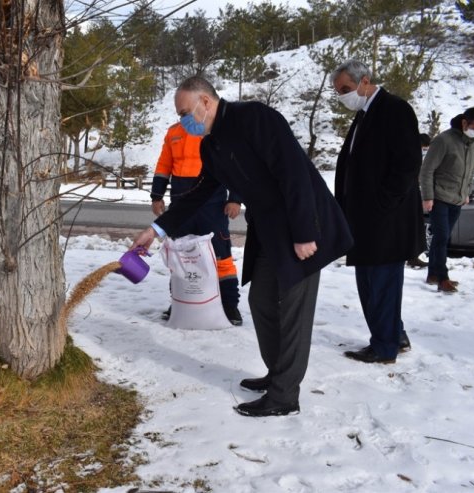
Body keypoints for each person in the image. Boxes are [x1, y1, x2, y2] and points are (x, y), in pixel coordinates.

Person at [131, 76, 353, 417]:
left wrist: (305, 232)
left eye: (185, 112)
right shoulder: (211, 145)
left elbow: (294, 172)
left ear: (205, 101)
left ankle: (284, 397)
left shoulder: (255, 118)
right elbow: (201, 194)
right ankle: (277, 373)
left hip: (303, 226)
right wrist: (157, 228)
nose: (183, 121)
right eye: (178, 115)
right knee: (261, 300)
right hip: (267, 231)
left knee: (294, 310)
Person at [331, 59, 425, 364]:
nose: (342, 95)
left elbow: (407, 165)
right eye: (338, 91)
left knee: (379, 286)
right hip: (366, 220)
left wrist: (381, 205)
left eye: (345, 88)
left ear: (365, 81)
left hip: (385, 220)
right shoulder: (364, 114)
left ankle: (384, 347)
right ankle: (394, 334)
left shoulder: (395, 109)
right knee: (373, 284)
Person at [150, 123, 242, 325]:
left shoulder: (217, 129)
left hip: (214, 205)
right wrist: (157, 196)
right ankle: (180, 302)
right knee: (180, 256)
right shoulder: (174, 132)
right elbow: (164, 166)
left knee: (221, 256)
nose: (185, 114)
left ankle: (229, 305)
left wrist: (235, 198)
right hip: (181, 204)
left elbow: (234, 164)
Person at [419, 107, 474, 293]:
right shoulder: (444, 140)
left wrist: (467, 192)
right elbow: (426, 170)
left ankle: (432, 273)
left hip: (457, 199)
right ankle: (442, 278)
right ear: (464, 122)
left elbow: (471, 170)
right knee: (442, 237)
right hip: (439, 197)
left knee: (442, 238)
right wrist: (427, 197)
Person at [406, 133, 434, 269]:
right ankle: (409, 256)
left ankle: (413, 256)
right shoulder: (408, 154)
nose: (425, 150)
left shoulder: (422, 156)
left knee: (416, 227)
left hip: (416, 193)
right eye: (424, 147)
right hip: (406, 195)